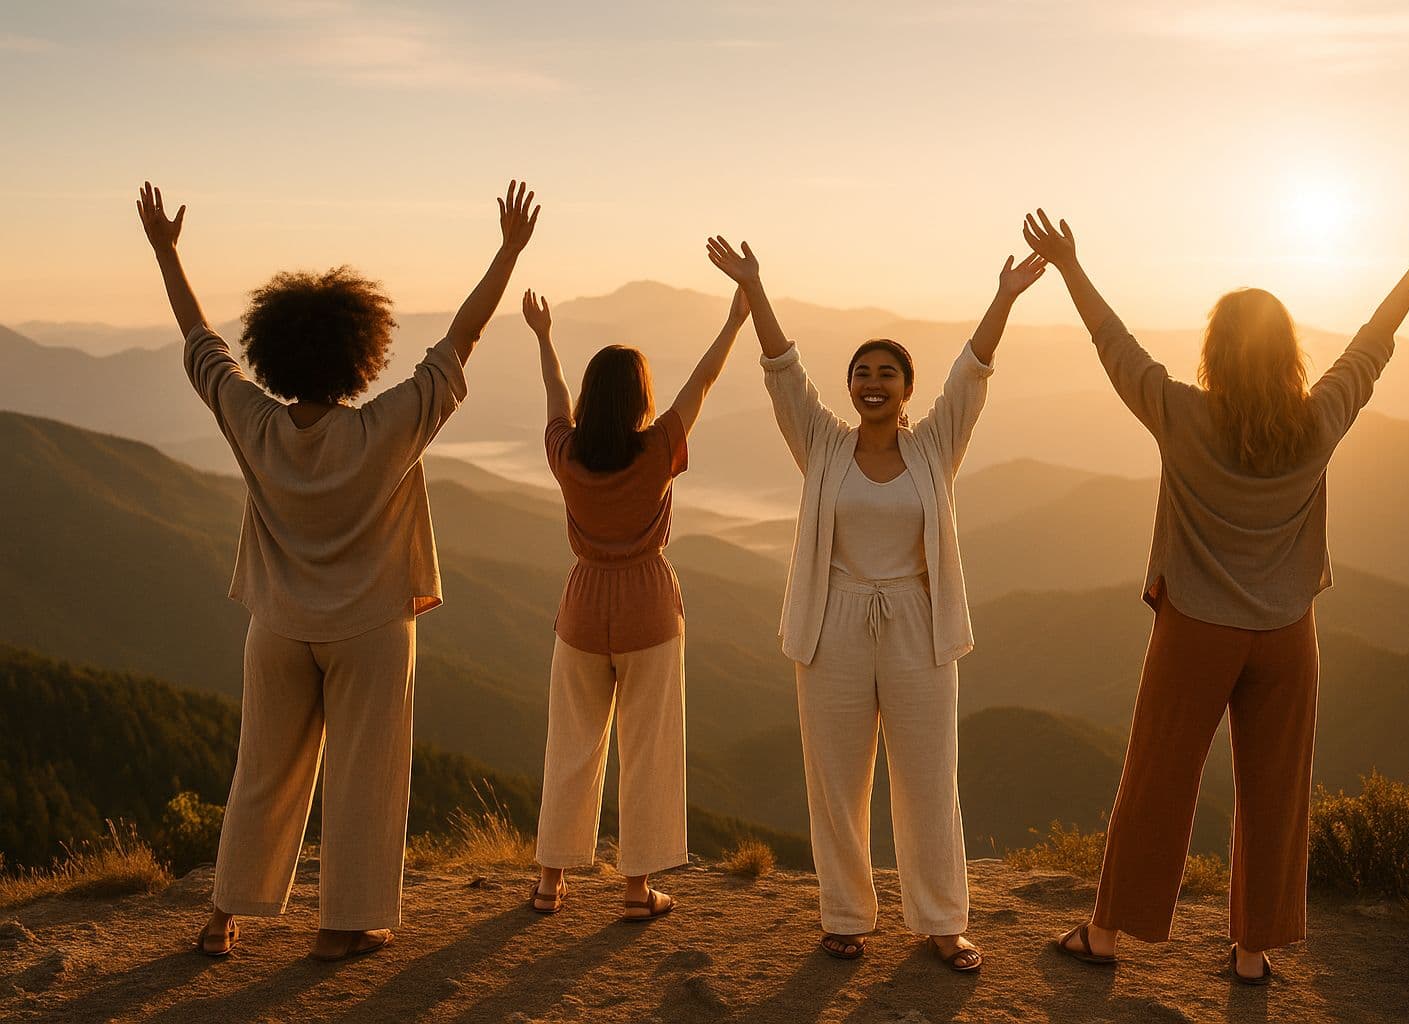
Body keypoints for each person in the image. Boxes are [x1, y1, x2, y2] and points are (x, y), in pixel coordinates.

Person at [1022, 203, 1409, 984]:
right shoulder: (1319, 418)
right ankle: (1253, 952)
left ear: (1215, 354)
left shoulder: (1182, 415)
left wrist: (1069, 266)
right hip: (1288, 635)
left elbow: (1114, 346)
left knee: (1158, 777)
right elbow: (1373, 345)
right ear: (1289, 356)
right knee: (1276, 791)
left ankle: (1105, 935)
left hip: (1197, 627)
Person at [137, 177, 540, 961]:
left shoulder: (251, 421)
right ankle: (343, 927)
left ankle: (225, 915)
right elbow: (460, 342)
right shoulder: (387, 428)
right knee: (365, 777)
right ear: (360, 353)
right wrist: (508, 250)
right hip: (372, 629)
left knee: (261, 770)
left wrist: (166, 252)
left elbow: (201, 344)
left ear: (275, 351)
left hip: (278, 627)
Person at [707, 234, 1048, 971]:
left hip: (918, 626)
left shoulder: (934, 447)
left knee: (928, 777)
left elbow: (972, 375)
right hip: (833, 623)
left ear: (905, 389)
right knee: (837, 779)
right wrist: (755, 288)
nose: (871, 382)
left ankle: (941, 921)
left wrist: (1005, 295)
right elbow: (783, 375)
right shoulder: (822, 444)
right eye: (861, 372)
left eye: (885, 373)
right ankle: (846, 917)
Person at [526, 280, 751, 920]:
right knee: (647, 747)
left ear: (594, 399)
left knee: (571, 743)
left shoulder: (565, 454)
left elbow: (554, 398)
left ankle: (549, 883)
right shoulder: (656, 452)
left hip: (583, 603)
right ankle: (634, 890)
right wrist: (734, 323)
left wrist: (544, 337)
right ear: (641, 399)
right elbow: (702, 383)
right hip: (648, 605)